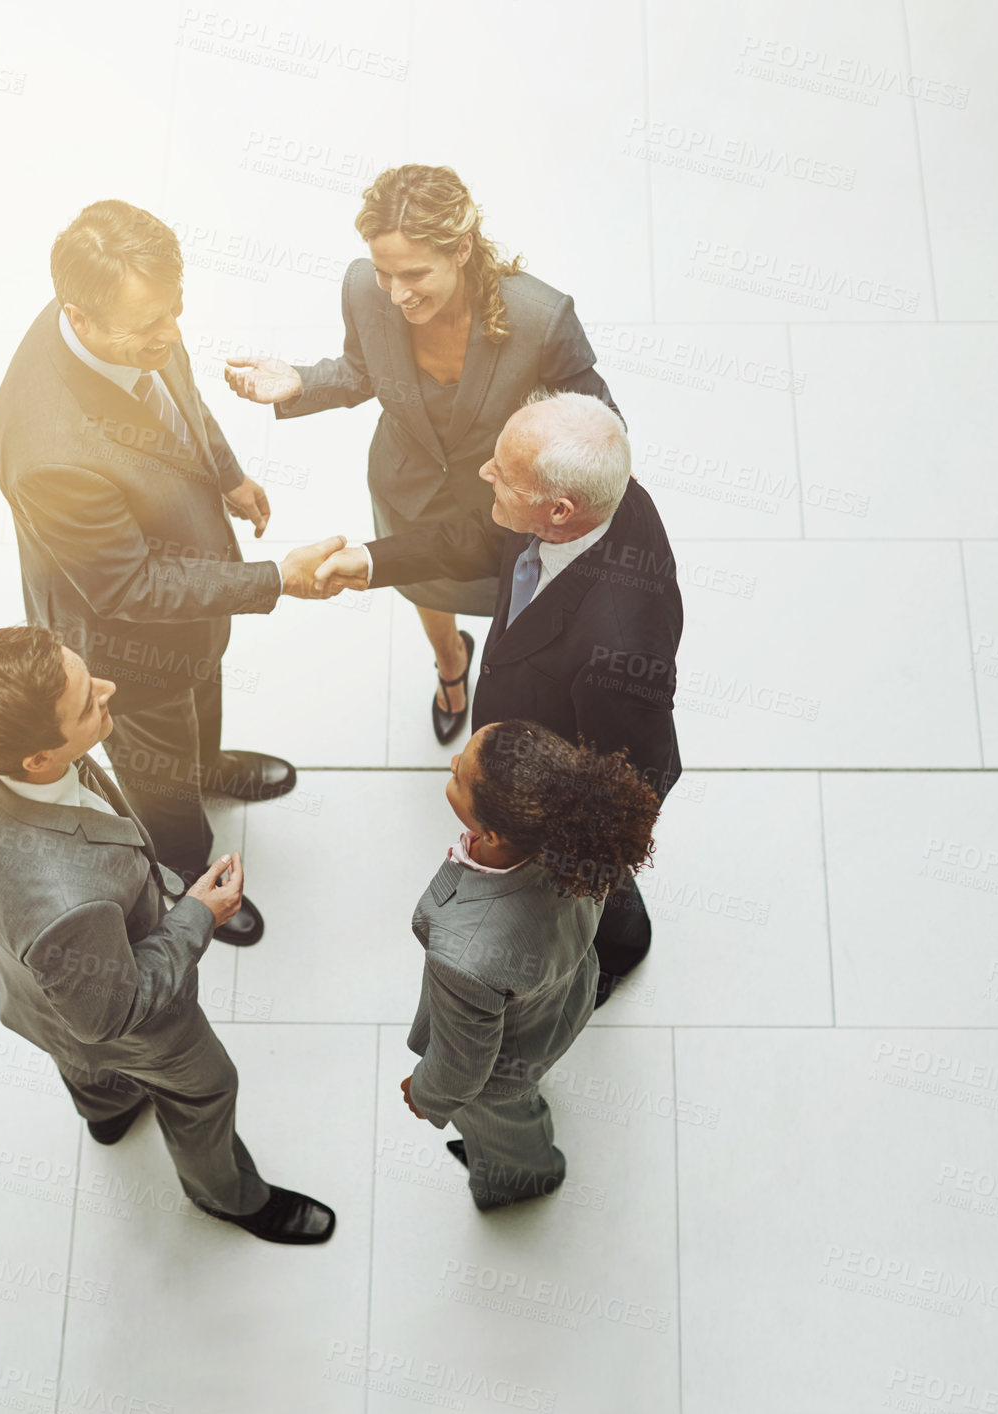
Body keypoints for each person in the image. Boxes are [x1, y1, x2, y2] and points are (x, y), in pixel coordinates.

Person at [0, 198, 345, 945]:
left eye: (174, 310)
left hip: (191, 604)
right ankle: (188, 873)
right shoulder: (48, 448)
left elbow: (180, 402)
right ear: (78, 318)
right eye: (149, 325)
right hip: (127, 643)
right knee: (159, 772)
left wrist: (226, 475)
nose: (172, 334)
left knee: (201, 677)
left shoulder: (131, 325)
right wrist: (277, 578)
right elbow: (129, 587)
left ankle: (207, 763)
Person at [0, 626, 334, 1245]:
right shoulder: (66, 898)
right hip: (106, 1003)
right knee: (209, 1088)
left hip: (28, 981)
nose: (109, 690)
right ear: (37, 760)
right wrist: (199, 914)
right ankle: (227, 1195)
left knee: (83, 1059)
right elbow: (111, 1012)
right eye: (89, 702)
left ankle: (106, 1111)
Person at [222, 164, 621, 744]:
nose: (397, 292)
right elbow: (363, 371)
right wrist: (301, 383)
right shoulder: (364, 289)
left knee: (516, 618)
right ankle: (451, 667)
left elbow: (600, 427)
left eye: (413, 273)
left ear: (461, 249)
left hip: (501, 512)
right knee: (424, 587)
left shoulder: (541, 318)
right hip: (408, 491)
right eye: (385, 273)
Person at [316, 390, 683, 1005]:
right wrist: (374, 560)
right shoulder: (590, 504)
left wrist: (553, 845)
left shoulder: (618, 647)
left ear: (561, 510)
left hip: (561, 797)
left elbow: (635, 781)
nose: (485, 474)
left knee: (595, 889)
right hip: (530, 734)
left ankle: (619, 944)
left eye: (502, 475)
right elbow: (490, 537)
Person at [402, 720, 659, 1209]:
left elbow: (461, 1068)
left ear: (493, 832)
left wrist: (426, 1094)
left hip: (504, 1068)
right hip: (564, 997)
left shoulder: (464, 957)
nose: (453, 763)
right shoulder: (580, 843)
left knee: (505, 1128)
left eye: (461, 776)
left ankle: (525, 1180)